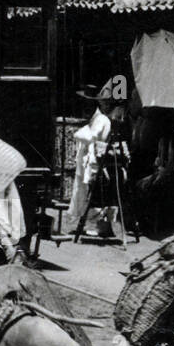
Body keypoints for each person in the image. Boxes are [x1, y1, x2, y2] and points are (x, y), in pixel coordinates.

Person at [68, 83, 117, 237]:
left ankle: (103, 226)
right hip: (88, 160)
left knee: (96, 195)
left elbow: (91, 136)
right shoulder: (94, 118)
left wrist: (78, 133)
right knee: (88, 193)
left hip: (97, 161)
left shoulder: (101, 119)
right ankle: (98, 225)